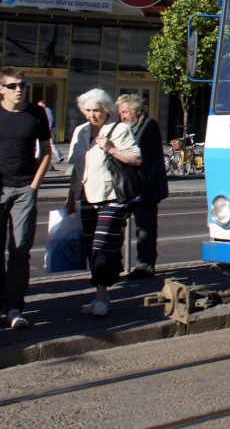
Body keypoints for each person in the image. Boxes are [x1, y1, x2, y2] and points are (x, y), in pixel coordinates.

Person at [0, 67, 53, 329]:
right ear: (1, 89)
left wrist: (33, 186)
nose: (19, 89)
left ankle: (14, 306)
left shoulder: (36, 114)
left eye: (22, 85)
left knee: (20, 251)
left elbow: (48, 152)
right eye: (13, 86)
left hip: (23, 191)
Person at [63, 88, 143, 317]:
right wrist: (70, 198)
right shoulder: (80, 131)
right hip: (86, 196)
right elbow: (76, 168)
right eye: (87, 110)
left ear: (106, 110)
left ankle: (100, 297)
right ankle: (103, 294)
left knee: (102, 245)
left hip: (111, 195)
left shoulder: (119, 129)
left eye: (96, 110)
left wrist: (110, 148)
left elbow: (136, 158)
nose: (91, 115)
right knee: (91, 247)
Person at [117, 94, 168, 278]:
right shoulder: (127, 128)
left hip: (145, 188)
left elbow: (140, 156)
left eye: (125, 112)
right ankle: (116, 264)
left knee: (144, 229)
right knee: (117, 225)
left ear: (136, 112)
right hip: (130, 188)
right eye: (120, 112)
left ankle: (145, 265)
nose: (122, 116)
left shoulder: (148, 127)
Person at [37, 100, 63, 165]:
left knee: (51, 144)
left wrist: (49, 128)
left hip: (49, 129)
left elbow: (51, 119)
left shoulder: (47, 110)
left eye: (40, 105)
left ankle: (60, 156)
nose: (39, 107)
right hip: (49, 129)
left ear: (43, 105)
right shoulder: (45, 110)